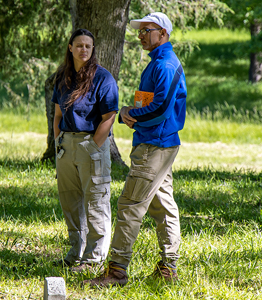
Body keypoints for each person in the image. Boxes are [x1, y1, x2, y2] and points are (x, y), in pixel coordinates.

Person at [87, 12, 187, 287]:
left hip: (154, 145)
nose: (141, 35)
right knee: (163, 206)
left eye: (147, 30)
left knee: (130, 205)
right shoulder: (158, 62)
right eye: (140, 31)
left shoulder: (165, 65)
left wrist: (127, 114)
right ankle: (168, 269)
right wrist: (132, 113)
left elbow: (161, 109)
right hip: (159, 143)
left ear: (163, 34)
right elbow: (154, 104)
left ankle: (116, 272)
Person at [51, 28, 119, 273]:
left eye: (88, 46)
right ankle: (76, 253)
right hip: (66, 147)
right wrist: (59, 142)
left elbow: (109, 117)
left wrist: (93, 147)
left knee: (96, 202)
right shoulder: (63, 78)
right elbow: (57, 115)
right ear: (70, 48)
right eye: (79, 45)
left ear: (93, 49)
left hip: (92, 145)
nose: (83, 50)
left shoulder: (103, 78)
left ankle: (93, 259)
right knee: (70, 201)